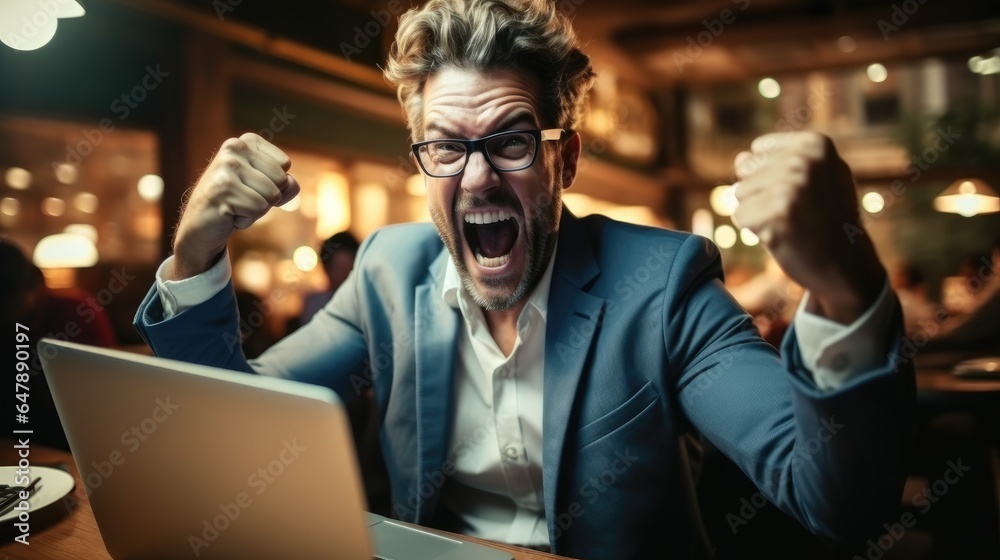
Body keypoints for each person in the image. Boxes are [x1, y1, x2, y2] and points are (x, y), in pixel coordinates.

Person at [133, 1, 915, 558]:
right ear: (423, 162)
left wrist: (846, 287)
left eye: (510, 141)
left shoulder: (662, 284)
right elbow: (229, 435)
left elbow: (837, 504)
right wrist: (196, 253)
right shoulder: (387, 272)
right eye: (444, 147)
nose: (475, 180)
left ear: (563, 161)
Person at [2, 238, 117, 450]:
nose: (8, 317)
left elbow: (106, 388)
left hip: (71, 434)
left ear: (33, 285)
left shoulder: (78, 312)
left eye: (12, 307)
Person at [299, 230, 360, 325]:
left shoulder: (363, 304)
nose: (345, 275)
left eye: (349, 268)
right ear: (326, 269)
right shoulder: (316, 304)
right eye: (339, 268)